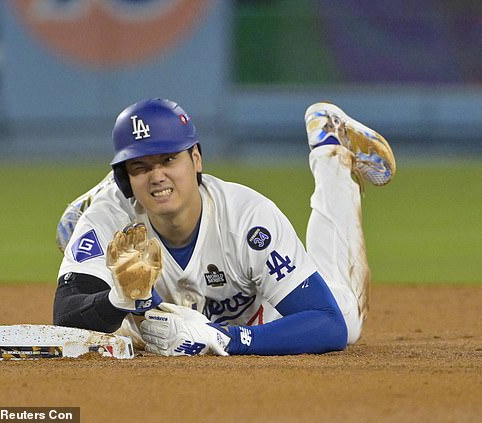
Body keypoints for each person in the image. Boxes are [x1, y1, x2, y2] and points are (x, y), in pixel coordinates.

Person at [53, 98, 396, 356]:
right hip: (168, 319)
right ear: (126, 179)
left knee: (347, 320)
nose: (157, 175)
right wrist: (119, 298)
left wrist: (226, 339)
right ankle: (105, 202)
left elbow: (328, 323)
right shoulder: (111, 221)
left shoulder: (247, 217)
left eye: (168, 159)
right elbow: (65, 316)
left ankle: (331, 154)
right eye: (139, 167)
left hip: (258, 312)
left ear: (196, 160)